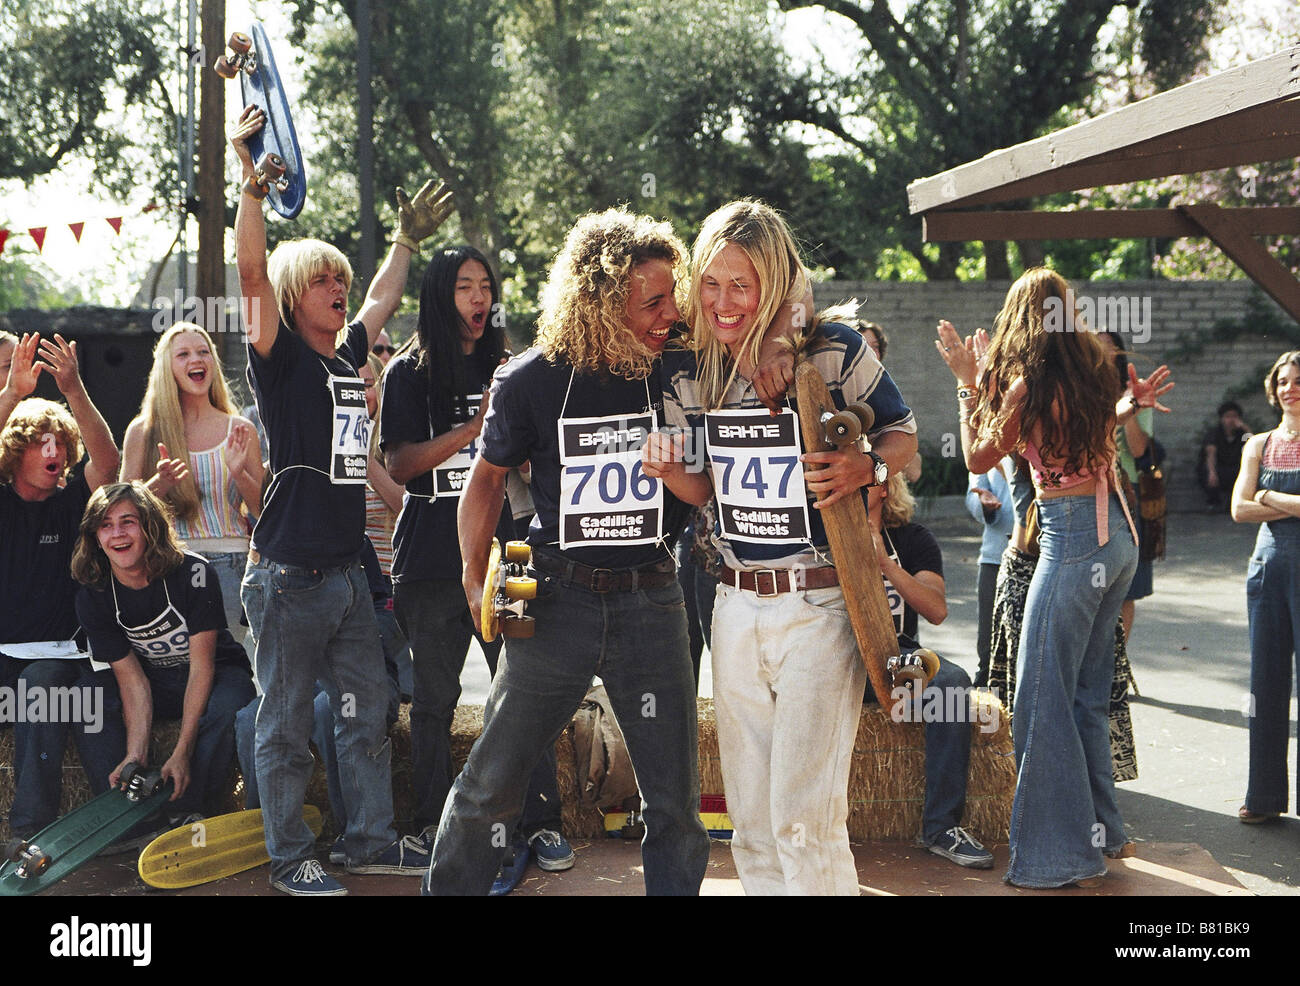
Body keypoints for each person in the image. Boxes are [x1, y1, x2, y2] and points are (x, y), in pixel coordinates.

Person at [424, 207, 711, 896]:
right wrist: (472, 581)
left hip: (654, 595)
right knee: (491, 780)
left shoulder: (683, 367)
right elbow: (485, 482)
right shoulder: (531, 379)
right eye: (653, 301)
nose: (671, 312)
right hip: (550, 593)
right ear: (602, 301)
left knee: (675, 799)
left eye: (674, 295)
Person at [653, 200, 918, 895]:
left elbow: (905, 437)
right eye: (711, 283)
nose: (722, 301)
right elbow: (704, 492)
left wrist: (871, 467)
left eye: (741, 284)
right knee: (750, 823)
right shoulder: (690, 366)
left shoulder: (830, 348)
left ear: (773, 282)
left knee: (805, 818)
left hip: (822, 602)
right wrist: (667, 466)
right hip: (734, 602)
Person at [230, 103, 452, 895]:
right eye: (322, 279)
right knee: (285, 730)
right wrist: (250, 187)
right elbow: (250, 274)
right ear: (295, 296)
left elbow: (383, 302)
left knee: (369, 720)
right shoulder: (279, 359)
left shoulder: (346, 353)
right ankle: (291, 859)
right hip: (288, 577)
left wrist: (406, 242)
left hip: (350, 578)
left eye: (339, 280)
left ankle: (368, 843)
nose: (337, 288)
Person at [936, 267, 1171, 888]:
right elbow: (1098, 424)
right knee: (1085, 697)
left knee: (1038, 703)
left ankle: (1058, 857)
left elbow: (978, 457)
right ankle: (1105, 831)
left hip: (1071, 544)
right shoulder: (1093, 371)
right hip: (1117, 540)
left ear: (1017, 319)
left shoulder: (1027, 388)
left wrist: (967, 388)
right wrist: (1133, 404)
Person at [380, 245, 569, 893]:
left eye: (485, 286)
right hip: (431, 560)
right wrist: (476, 429)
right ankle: (434, 823)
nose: (479, 299)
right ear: (440, 296)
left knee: (526, 689)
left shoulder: (514, 367)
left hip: (511, 552)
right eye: (464, 287)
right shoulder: (407, 372)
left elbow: (537, 461)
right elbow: (401, 464)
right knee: (432, 700)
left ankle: (540, 821)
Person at [71, 482, 255, 822]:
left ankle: (188, 810)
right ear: (95, 537)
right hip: (153, 680)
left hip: (216, 673)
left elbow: (202, 668)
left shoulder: (193, 573)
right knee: (87, 696)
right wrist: (134, 755)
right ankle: (124, 814)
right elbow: (132, 680)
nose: (117, 534)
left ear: (149, 526)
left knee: (227, 709)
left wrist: (182, 751)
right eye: (106, 525)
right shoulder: (92, 594)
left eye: (128, 521)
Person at [0, 332, 122, 837]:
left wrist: (73, 390)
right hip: (8, 657)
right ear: (14, 453)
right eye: (40, 443)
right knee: (36, 687)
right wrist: (12, 395)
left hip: (71, 655)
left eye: (60, 444)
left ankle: (118, 822)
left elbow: (109, 463)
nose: (53, 451)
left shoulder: (75, 499)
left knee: (72, 695)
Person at [870, 472, 992, 868]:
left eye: (864, 475)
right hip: (829, 652)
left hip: (894, 658)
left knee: (952, 682)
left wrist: (884, 563)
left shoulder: (911, 538)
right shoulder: (815, 536)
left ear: (884, 486)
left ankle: (940, 828)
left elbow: (936, 610)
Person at [120, 322, 264, 656]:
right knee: (175, 667)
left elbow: (260, 511)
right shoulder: (143, 430)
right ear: (166, 368)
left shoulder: (240, 428)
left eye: (203, 352)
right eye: (182, 354)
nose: (195, 359)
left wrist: (239, 471)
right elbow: (118, 512)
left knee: (224, 663)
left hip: (231, 563)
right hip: (166, 562)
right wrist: (158, 485)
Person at [1231, 351, 1300, 824]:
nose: (1290, 388)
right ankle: (1264, 797)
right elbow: (1238, 509)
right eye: (1282, 380)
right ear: (1272, 387)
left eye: (1298, 380)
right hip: (1268, 574)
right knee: (1266, 686)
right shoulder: (1256, 444)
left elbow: (1252, 500)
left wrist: (1267, 495)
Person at [966, 463, 1012, 688]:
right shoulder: (989, 441)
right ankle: (986, 712)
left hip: (1040, 555)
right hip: (994, 556)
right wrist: (984, 505)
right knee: (989, 644)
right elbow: (974, 493)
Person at [1202, 401, 1252, 513]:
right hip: (1218, 466)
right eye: (1228, 416)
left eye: (1234, 416)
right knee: (1208, 473)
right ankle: (1213, 503)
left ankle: (1234, 502)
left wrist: (1245, 428)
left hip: (1234, 466)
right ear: (1221, 419)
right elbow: (1211, 454)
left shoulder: (1241, 434)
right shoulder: (1215, 433)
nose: (1231, 420)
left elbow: (1253, 445)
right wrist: (1212, 472)